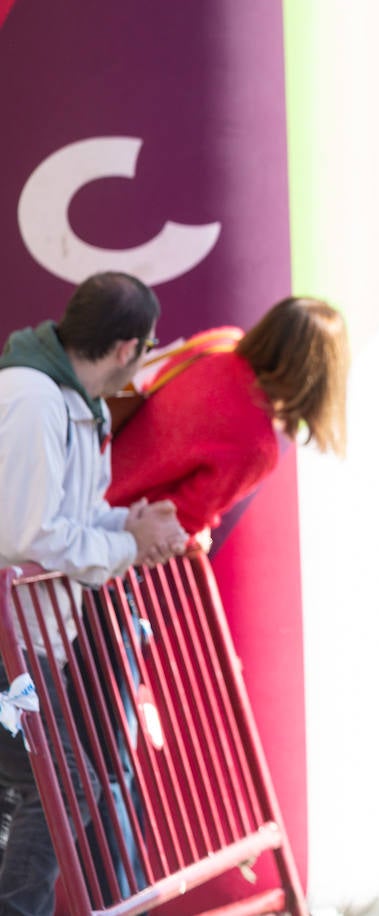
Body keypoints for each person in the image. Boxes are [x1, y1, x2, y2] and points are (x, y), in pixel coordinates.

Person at [0, 271, 187, 916]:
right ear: (124, 347)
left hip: (32, 638)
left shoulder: (77, 402)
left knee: (49, 789)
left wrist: (134, 525)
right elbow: (32, 534)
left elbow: (63, 521)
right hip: (13, 642)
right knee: (64, 788)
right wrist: (128, 544)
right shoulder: (32, 397)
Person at [107, 297, 349, 540]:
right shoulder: (257, 446)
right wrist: (198, 534)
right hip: (108, 531)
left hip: (85, 477)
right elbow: (178, 520)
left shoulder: (220, 342)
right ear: (320, 378)